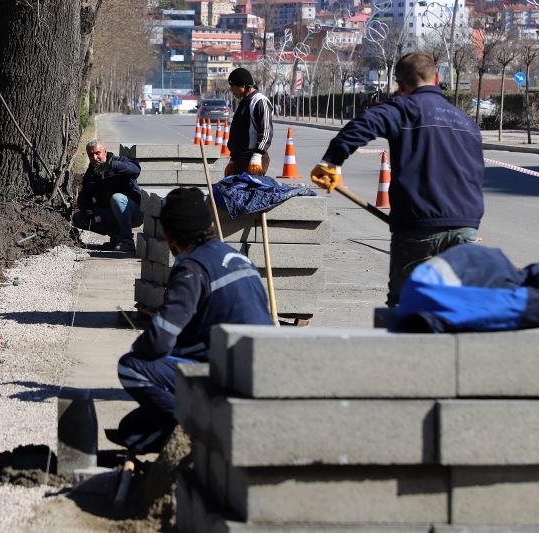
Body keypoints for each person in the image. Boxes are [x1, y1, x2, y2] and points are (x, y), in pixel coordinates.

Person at [309, 52, 485, 307]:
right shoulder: (465, 122)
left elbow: (363, 125)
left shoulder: (404, 109)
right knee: (455, 305)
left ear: (401, 85)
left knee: (404, 307)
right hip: (466, 226)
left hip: (419, 226)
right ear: (436, 78)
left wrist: (330, 163)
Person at [114, 188, 272, 452]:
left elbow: (159, 343)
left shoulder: (192, 268)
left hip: (227, 373)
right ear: (210, 225)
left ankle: (198, 429)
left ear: (170, 236)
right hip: (259, 368)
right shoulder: (239, 259)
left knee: (131, 367)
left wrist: (140, 347)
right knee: (132, 428)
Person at [72, 139, 143, 253]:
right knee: (78, 219)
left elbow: (136, 170)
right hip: (110, 214)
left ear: (104, 151)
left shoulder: (119, 161)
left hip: (133, 213)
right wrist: (88, 211)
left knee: (117, 198)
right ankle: (116, 238)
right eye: (91, 155)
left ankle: (127, 241)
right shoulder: (91, 173)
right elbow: (85, 196)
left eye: (97, 153)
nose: (95, 158)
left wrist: (111, 166)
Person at [225, 67, 275, 177]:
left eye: (233, 86)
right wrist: (232, 160)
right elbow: (237, 133)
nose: (231, 90)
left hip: (253, 158)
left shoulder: (260, 101)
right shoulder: (243, 103)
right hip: (239, 159)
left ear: (243, 86)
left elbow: (266, 132)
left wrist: (257, 155)